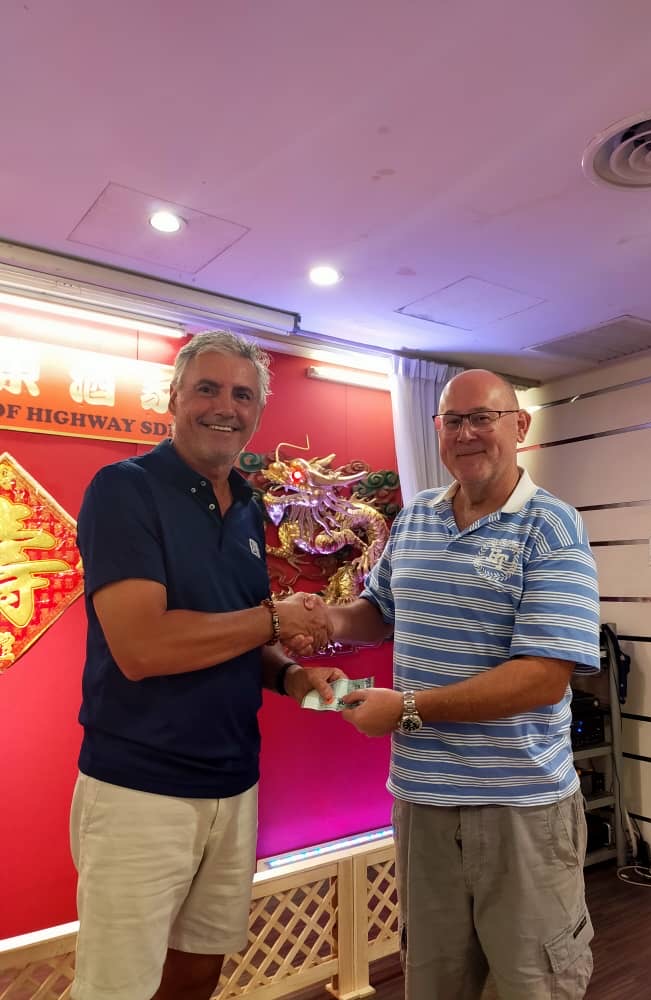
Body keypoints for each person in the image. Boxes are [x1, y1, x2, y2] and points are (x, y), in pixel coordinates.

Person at [70, 330, 340, 1000]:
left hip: (234, 783)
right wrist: (275, 620)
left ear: (258, 412)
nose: (225, 406)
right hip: (139, 788)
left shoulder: (247, 506)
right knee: (116, 989)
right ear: (174, 398)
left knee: (199, 969)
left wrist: (291, 677)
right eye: (208, 389)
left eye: (242, 395)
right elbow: (142, 648)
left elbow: (239, 634)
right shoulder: (124, 490)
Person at [328, 368, 601, 1000]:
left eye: (483, 417)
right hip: (422, 803)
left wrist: (408, 710)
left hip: (520, 808)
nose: (466, 433)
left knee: (532, 984)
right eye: (453, 420)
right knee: (435, 982)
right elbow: (378, 611)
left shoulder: (552, 527)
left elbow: (542, 678)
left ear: (519, 426)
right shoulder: (415, 516)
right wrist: (324, 621)